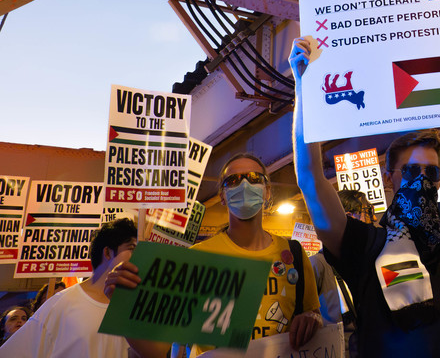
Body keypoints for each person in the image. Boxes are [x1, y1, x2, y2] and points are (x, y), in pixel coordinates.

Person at [290, 35, 440, 358]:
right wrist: (304, 90)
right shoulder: (365, 246)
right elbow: (311, 178)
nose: (423, 182)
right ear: (390, 177)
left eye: (432, 174)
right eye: (412, 173)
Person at [106, 153, 322, 357]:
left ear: (267, 191)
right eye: (233, 181)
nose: (245, 185)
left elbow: (313, 320)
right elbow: (159, 350)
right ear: (222, 196)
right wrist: (122, 306)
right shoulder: (197, 259)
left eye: (254, 178)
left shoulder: (293, 254)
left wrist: (314, 318)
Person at [0, 218, 137, 357]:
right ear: (107, 252)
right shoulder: (62, 304)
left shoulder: (136, 310)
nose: (139, 257)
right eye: (132, 248)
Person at [310, 189, 376, 357]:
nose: (374, 218)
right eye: (368, 211)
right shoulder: (318, 264)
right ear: (348, 217)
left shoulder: (370, 259)